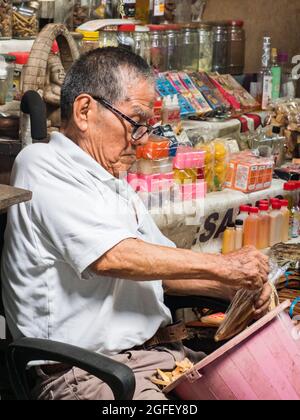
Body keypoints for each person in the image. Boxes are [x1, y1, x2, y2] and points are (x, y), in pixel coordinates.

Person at [1, 47, 271, 400]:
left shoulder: (110, 178)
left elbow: (163, 265)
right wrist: (225, 266)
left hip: (153, 358)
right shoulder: (42, 164)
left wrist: (231, 289)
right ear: (85, 111)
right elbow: (113, 257)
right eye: (136, 122)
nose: (142, 140)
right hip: (87, 374)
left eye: (147, 127)